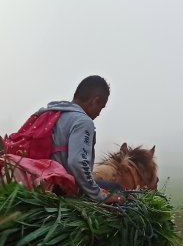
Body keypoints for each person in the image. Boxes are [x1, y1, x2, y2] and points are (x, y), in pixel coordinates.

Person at [33, 75, 125, 205]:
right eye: (101, 107)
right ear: (95, 101)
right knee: (117, 189)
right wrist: (101, 196)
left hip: (37, 178)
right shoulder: (83, 121)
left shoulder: (48, 112)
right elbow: (77, 163)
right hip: (59, 187)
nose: (99, 113)